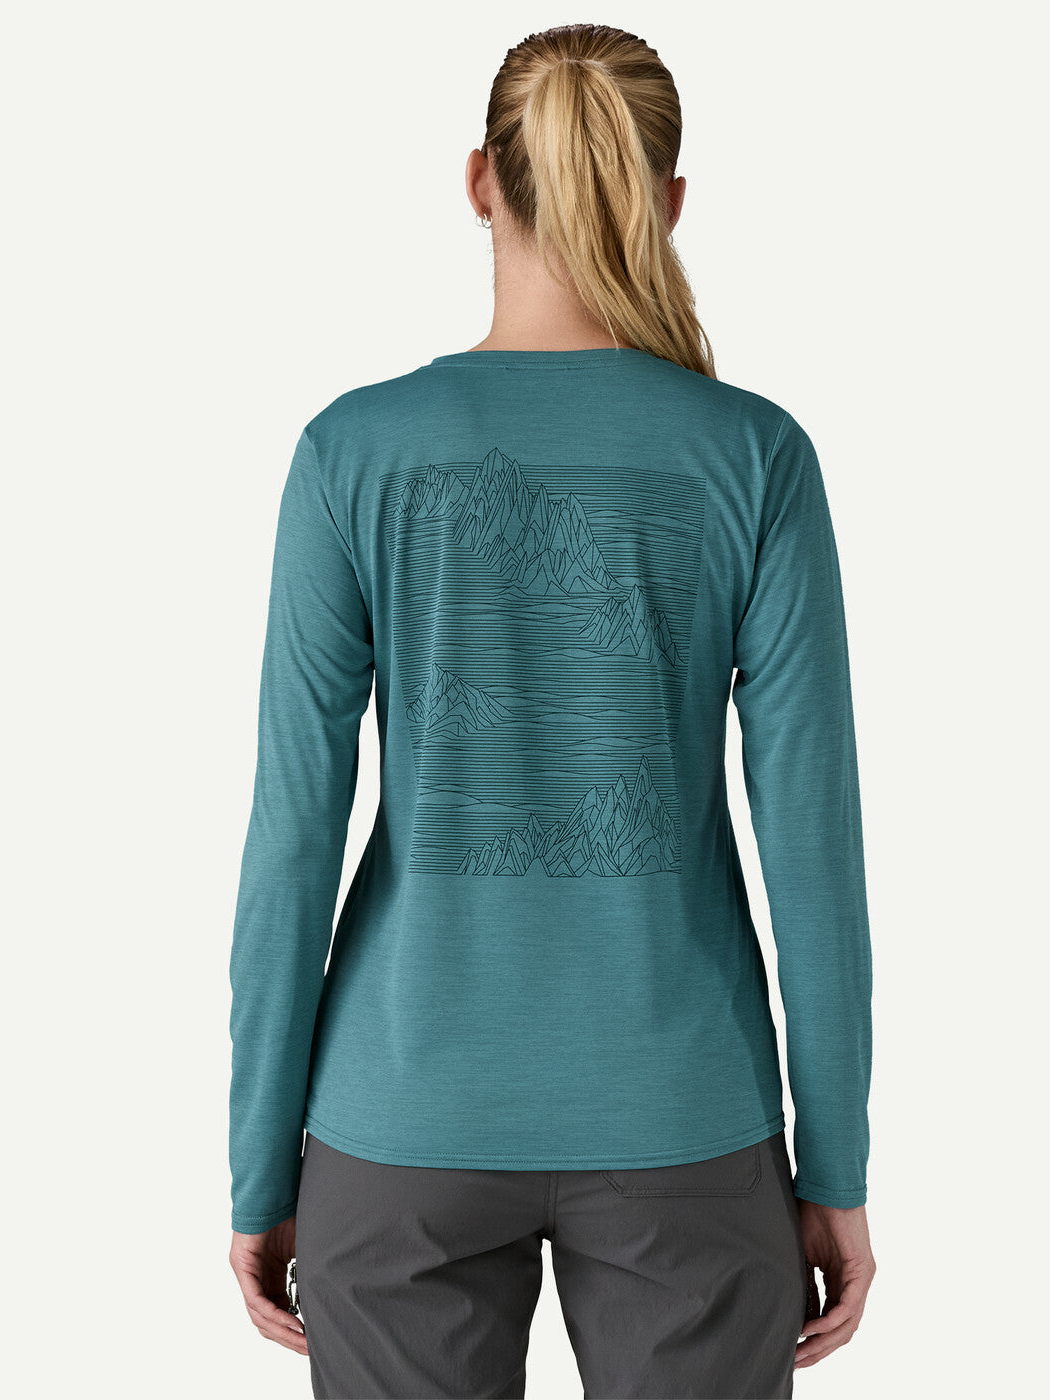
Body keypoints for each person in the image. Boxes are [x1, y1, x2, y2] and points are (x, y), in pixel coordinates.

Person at [228, 23, 875, 1399]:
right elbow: (813, 846)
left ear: (480, 180)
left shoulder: (352, 451)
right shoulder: (754, 456)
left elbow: (292, 834)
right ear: (670, 200)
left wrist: (257, 1165)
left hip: (397, 1118)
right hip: (684, 1119)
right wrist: (836, 1166)